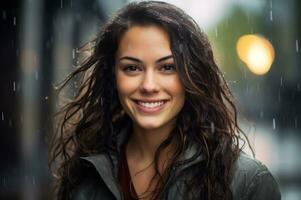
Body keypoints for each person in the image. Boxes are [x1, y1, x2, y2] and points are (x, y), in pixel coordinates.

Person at [49, 1, 281, 200]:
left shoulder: (247, 183)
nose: (149, 85)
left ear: (191, 76)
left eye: (167, 67)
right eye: (132, 68)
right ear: (113, 76)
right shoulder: (84, 176)